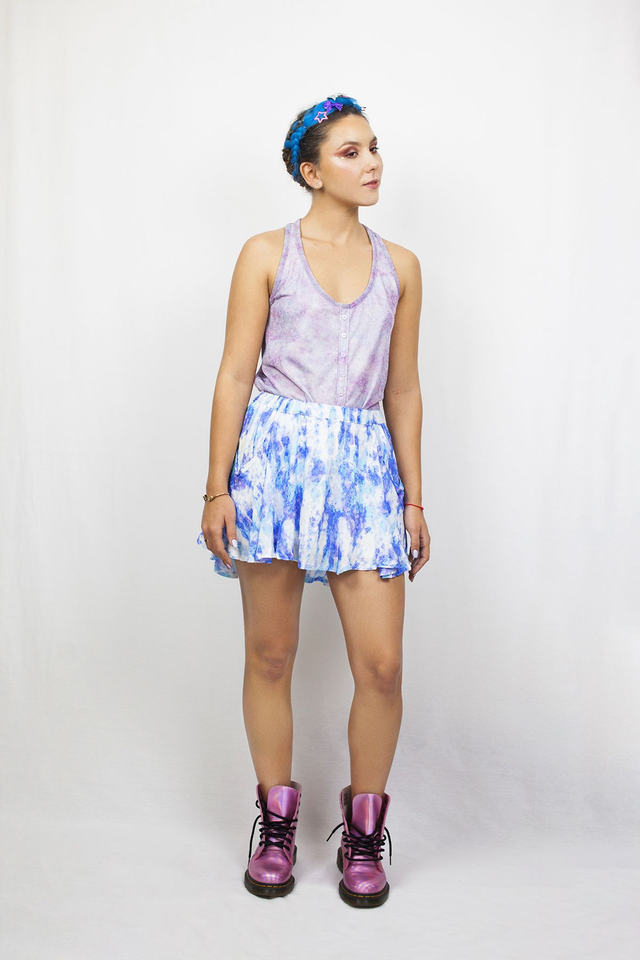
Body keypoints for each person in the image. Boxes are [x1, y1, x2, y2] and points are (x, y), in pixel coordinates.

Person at [197, 95, 430, 908]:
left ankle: (364, 830)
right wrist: (217, 486)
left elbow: (404, 388)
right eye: (350, 151)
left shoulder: (402, 267)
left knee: (382, 665)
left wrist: (413, 500)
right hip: (274, 467)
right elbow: (235, 373)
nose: (372, 163)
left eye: (374, 148)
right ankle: (276, 821)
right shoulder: (266, 253)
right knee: (270, 655)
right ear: (310, 170)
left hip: (364, 472)